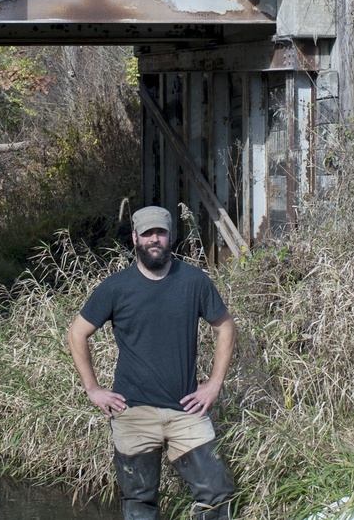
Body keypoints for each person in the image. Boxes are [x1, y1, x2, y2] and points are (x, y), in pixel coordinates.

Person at [67, 205, 238, 520]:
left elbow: (225, 326)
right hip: (133, 413)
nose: (154, 239)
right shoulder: (115, 288)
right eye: (147, 234)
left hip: (186, 411)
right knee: (139, 503)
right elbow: (77, 334)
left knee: (216, 494)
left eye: (160, 232)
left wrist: (213, 385)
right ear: (135, 238)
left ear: (170, 236)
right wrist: (93, 389)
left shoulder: (194, 281)